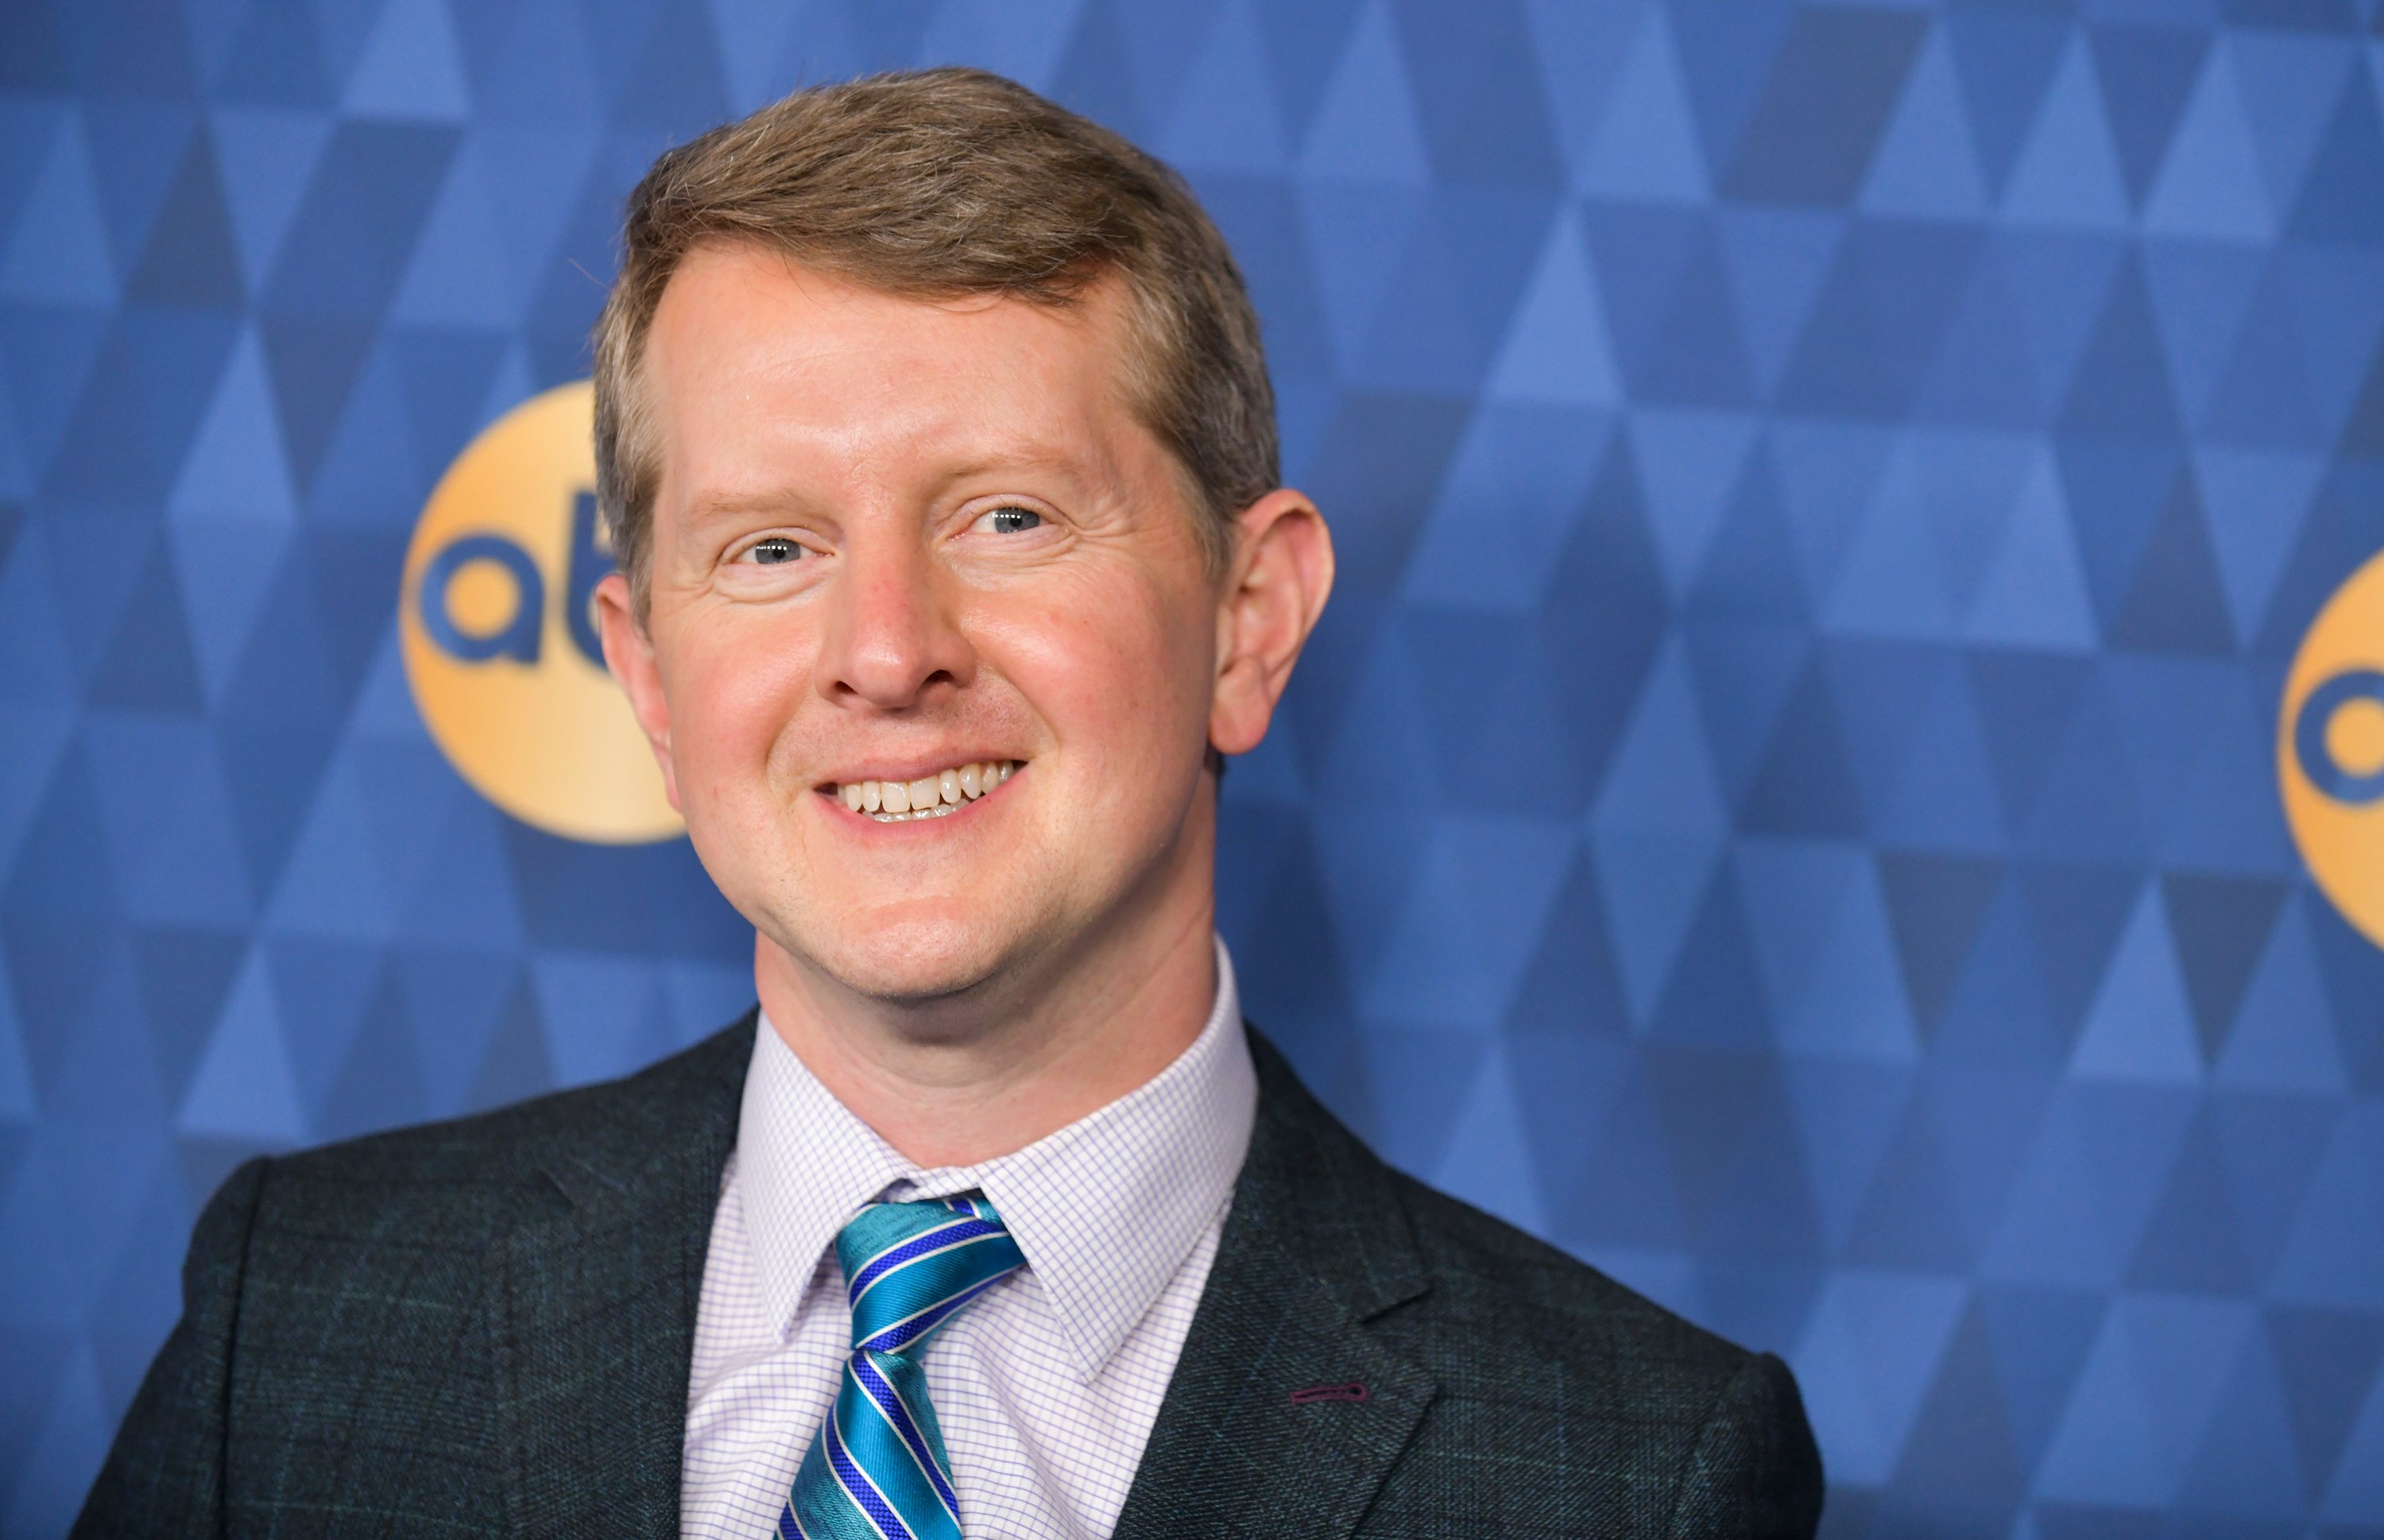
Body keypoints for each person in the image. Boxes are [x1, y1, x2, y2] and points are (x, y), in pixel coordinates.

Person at [75, 68, 1821, 1539]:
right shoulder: (299, 1324)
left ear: (1247, 620)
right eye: (773, 547)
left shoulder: (1629, 1473)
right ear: (650, 680)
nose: (887, 652)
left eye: (1007, 517)